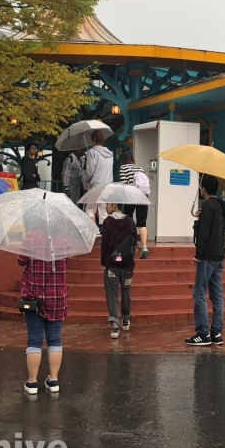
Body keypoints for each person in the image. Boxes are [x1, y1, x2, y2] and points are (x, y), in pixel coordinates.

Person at [19, 241, 68, 395]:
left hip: (34, 297)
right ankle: (54, 380)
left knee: (34, 340)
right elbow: (65, 262)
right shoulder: (62, 241)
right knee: (55, 339)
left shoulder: (31, 239)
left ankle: (32, 382)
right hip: (57, 297)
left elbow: (21, 261)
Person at [186, 174, 225, 347]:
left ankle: (203, 333)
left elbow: (203, 234)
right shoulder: (221, 205)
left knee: (200, 293)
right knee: (217, 294)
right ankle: (216, 332)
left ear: (204, 189)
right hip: (220, 255)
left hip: (208, 256)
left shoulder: (208, 205)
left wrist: (198, 254)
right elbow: (223, 228)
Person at [101, 202, 138, 338]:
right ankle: (126, 319)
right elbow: (134, 242)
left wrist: (104, 262)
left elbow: (105, 244)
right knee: (126, 291)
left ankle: (115, 325)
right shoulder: (130, 222)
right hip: (127, 264)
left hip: (112, 262)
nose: (105, 207)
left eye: (107, 205)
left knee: (112, 294)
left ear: (115, 205)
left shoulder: (107, 222)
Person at [118, 152, 150, 259]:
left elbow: (124, 184)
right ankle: (144, 247)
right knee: (142, 222)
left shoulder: (124, 168)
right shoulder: (140, 168)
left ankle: (131, 245)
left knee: (128, 220)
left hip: (131, 195)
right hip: (143, 196)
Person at [82, 130, 114, 223]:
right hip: (108, 185)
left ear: (94, 139)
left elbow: (90, 170)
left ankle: (94, 233)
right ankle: (106, 233)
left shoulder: (91, 152)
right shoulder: (110, 154)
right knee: (103, 211)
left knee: (90, 210)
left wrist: (86, 181)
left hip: (96, 185)